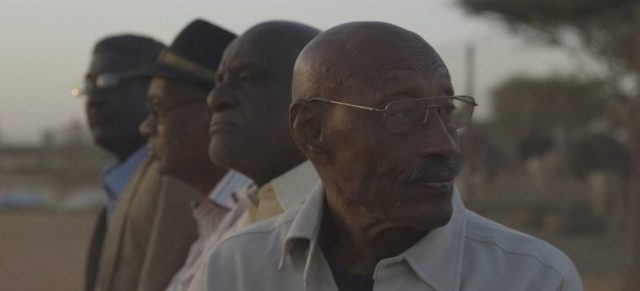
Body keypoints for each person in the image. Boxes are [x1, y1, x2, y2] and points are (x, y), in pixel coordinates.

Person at [202, 21, 583, 291]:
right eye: (401, 112)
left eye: (446, 110)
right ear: (311, 131)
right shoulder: (236, 269)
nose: (445, 144)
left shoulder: (534, 278)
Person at [95, 20, 242, 291]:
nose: (147, 126)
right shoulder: (212, 216)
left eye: (158, 108)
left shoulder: (257, 228)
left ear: (214, 112)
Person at [181, 21, 321, 291]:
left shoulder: (351, 229)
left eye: (247, 78)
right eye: (219, 81)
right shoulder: (243, 212)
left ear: (314, 104)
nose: (215, 98)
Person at [77, 34, 165, 291]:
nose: (93, 99)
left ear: (156, 89)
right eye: (89, 85)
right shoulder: (120, 185)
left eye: (108, 82)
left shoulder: (181, 186)